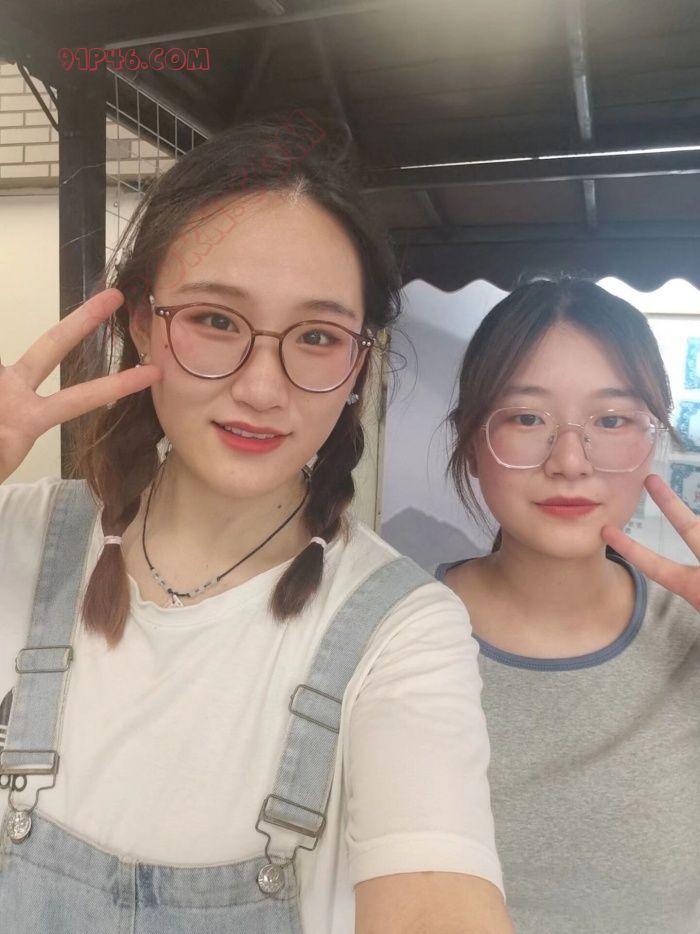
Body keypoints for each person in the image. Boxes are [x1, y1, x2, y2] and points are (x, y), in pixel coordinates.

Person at [0, 117, 513, 934]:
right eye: (215, 320)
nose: (263, 388)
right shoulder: (16, 539)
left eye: (317, 337)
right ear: (143, 325)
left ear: (358, 363)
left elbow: (434, 898)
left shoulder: (402, 633)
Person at [437, 277, 700, 934]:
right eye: (528, 418)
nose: (571, 461)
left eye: (612, 420)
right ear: (471, 442)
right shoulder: (389, 637)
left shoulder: (690, 634)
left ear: (652, 440)